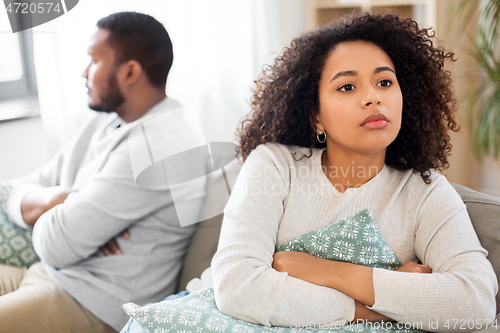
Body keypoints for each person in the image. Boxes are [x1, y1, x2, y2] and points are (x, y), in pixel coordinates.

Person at [212, 12, 498, 331]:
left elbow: (477, 301)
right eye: (347, 86)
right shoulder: (274, 165)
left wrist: (322, 270)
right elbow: (237, 287)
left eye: (385, 82)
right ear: (315, 116)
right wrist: (375, 308)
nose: (373, 97)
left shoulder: (426, 191)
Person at [0, 12, 203, 333]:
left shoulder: (155, 148)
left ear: (131, 71)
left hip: (92, 304)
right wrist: (64, 199)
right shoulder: (108, 122)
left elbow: (55, 244)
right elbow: (18, 191)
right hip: (51, 274)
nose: (84, 73)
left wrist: (56, 210)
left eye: (93, 60)